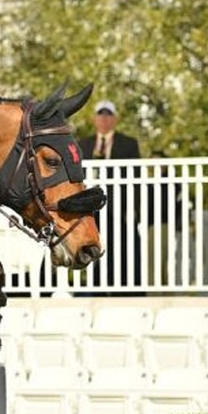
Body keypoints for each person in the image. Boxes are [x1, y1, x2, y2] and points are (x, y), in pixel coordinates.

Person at [77, 100, 143, 294]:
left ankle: (126, 289)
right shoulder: (84, 144)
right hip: (91, 208)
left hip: (118, 208)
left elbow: (136, 178)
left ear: (115, 119)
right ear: (94, 119)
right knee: (92, 247)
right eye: (100, 114)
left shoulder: (128, 144)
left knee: (123, 248)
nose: (104, 119)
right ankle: (94, 288)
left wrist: (134, 208)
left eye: (108, 115)